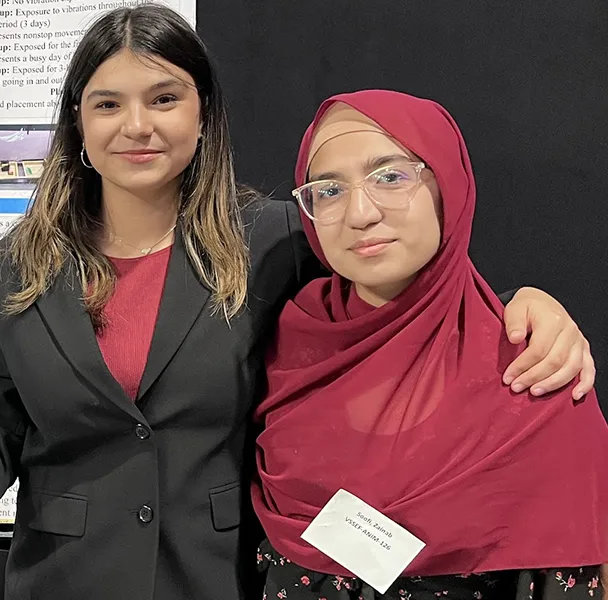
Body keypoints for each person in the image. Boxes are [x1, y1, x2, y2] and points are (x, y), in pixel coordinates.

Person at [0, 6, 597, 599]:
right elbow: (0, 427)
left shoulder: (274, 240)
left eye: (164, 97)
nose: (137, 125)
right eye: (108, 104)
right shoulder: (5, 275)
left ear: (201, 115)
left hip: (223, 577)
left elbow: (395, 295)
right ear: (77, 122)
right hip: (66, 580)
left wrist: (520, 304)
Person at [252, 90, 607, 598]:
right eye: (327, 189)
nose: (360, 213)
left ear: (448, 186)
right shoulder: (290, 340)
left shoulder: (535, 370)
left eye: (391, 177)